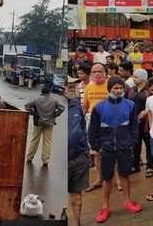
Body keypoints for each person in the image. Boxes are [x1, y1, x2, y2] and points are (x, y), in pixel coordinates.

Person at [88, 77, 142, 223]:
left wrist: (133, 142)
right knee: (107, 178)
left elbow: (134, 126)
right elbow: (92, 130)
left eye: (121, 88)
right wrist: (97, 147)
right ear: (109, 89)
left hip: (124, 148)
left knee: (125, 175)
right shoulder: (99, 107)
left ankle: (127, 201)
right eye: (115, 88)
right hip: (106, 149)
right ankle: (105, 207)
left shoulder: (130, 105)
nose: (118, 91)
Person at [82, 63, 109, 192]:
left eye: (100, 71)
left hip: (109, 123)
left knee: (112, 152)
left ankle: (118, 180)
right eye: (94, 71)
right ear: (91, 74)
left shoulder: (110, 85)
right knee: (96, 153)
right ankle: (99, 179)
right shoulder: (89, 87)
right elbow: (85, 106)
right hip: (93, 124)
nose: (97, 73)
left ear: (105, 73)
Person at [67, 76, 89, 226]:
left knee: (77, 197)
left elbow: (82, 128)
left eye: (73, 86)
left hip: (79, 158)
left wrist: (84, 150)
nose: (71, 88)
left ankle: (77, 223)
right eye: (68, 85)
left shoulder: (76, 105)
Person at [25, 84, 66, 166]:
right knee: (47, 141)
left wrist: (33, 112)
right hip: (50, 123)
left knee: (35, 140)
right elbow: (62, 107)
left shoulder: (37, 99)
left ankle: (29, 157)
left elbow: (27, 106)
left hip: (38, 122)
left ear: (41, 92)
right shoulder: (54, 100)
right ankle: (45, 160)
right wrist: (55, 114)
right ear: (49, 92)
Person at [131, 69, 153, 177]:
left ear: (142, 78)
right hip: (134, 123)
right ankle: (135, 165)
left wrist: (145, 114)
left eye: (136, 77)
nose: (133, 78)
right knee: (136, 144)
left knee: (149, 145)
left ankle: (150, 166)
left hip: (146, 123)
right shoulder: (131, 90)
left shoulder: (148, 91)